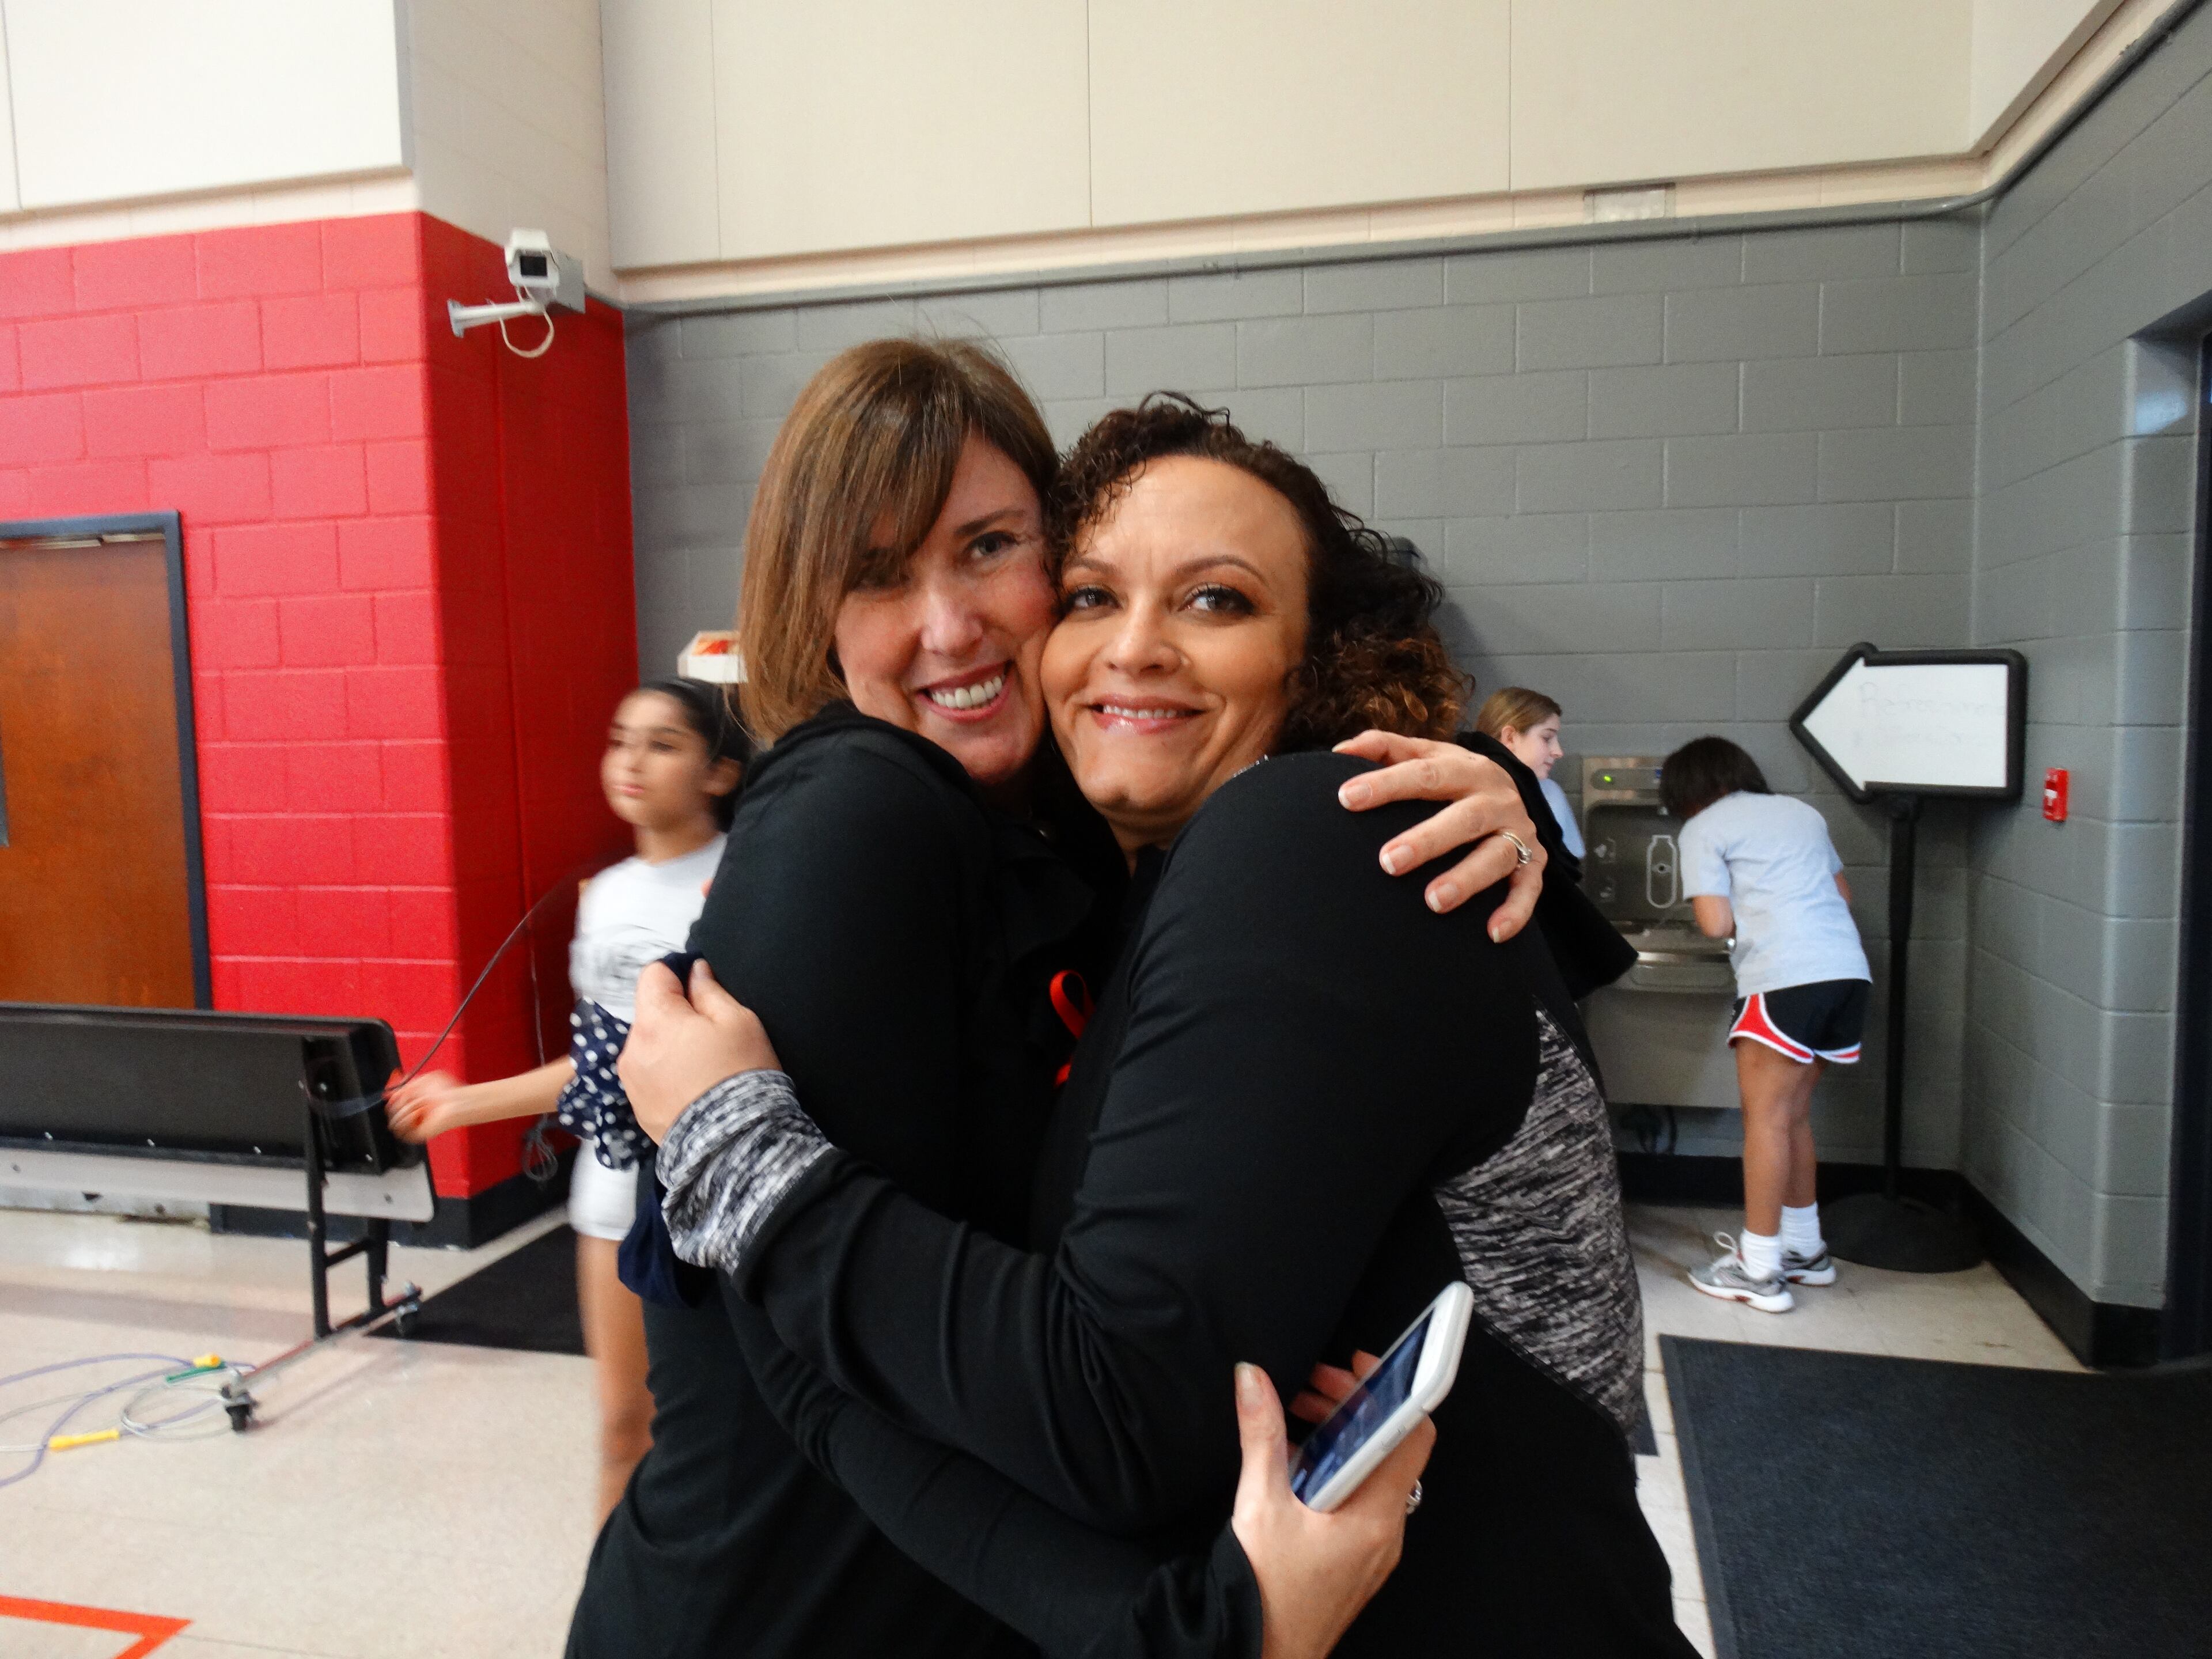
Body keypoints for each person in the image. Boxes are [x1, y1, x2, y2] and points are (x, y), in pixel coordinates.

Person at [628, 397, 1697, 1657]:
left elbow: (1112, 1414)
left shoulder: (1310, 842)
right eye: (1089, 595)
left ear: (1322, 658)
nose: (1132, 647)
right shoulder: (1132, 885)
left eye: (1216, 601)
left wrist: (746, 1162)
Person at [385, 679, 743, 1518]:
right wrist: (461, 1105)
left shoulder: (743, 879)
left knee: (729, 1438)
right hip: (615, 1193)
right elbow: (599, 1064)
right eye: (622, 739)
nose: (631, 761)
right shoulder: (609, 895)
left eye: (663, 744)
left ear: (719, 772)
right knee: (624, 1426)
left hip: (720, 1192)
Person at [1660, 736, 1871, 1315]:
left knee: (1765, 1120)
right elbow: (1842, 894)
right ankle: (1805, 1250)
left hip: (1784, 977)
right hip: (1846, 973)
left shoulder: (1704, 827)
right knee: (1794, 1117)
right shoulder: (1802, 813)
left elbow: (1713, 921)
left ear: (1688, 792)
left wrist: (1741, 929)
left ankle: (1758, 1268)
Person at [1475, 686, 1581, 859]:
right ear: (1510, 737)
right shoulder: (1467, 792)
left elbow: (1570, 867)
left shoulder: (1551, 793)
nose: (1558, 751)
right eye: (1547, 738)